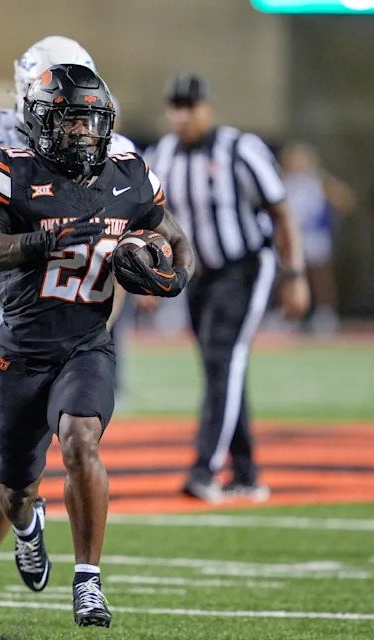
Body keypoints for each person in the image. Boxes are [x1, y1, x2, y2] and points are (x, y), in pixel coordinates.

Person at [0, 64, 194, 627]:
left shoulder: (129, 175)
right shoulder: (9, 170)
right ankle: (27, 526)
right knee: (15, 489)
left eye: (93, 119)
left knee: (81, 441)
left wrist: (171, 280)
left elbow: (179, 242)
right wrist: (43, 241)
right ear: (41, 122)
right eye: (72, 119)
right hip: (21, 350)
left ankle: (88, 583)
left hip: (87, 342)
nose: (85, 131)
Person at [0, 36, 137, 609]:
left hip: (68, 316)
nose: (81, 124)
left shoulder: (117, 156)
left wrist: (95, 325)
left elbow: (151, 237)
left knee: (65, 440)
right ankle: (23, 503)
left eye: (88, 112)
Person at [145, 74, 309, 502]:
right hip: (198, 273)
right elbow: (148, 221)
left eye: (190, 106)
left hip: (246, 266)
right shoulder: (160, 154)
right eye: (175, 107)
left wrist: (294, 276)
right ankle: (247, 472)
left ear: (207, 109)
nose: (182, 116)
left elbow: (281, 212)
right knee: (221, 367)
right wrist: (147, 273)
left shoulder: (239, 148)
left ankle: (204, 469)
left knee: (223, 358)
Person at [280, 141, 355, 337]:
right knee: (288, 274)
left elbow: (345, 201)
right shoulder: (283, 181)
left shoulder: (318, 180)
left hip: (315, 235)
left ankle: (325, 313)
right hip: (293, 236)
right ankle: (289, 313)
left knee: (320, 276)